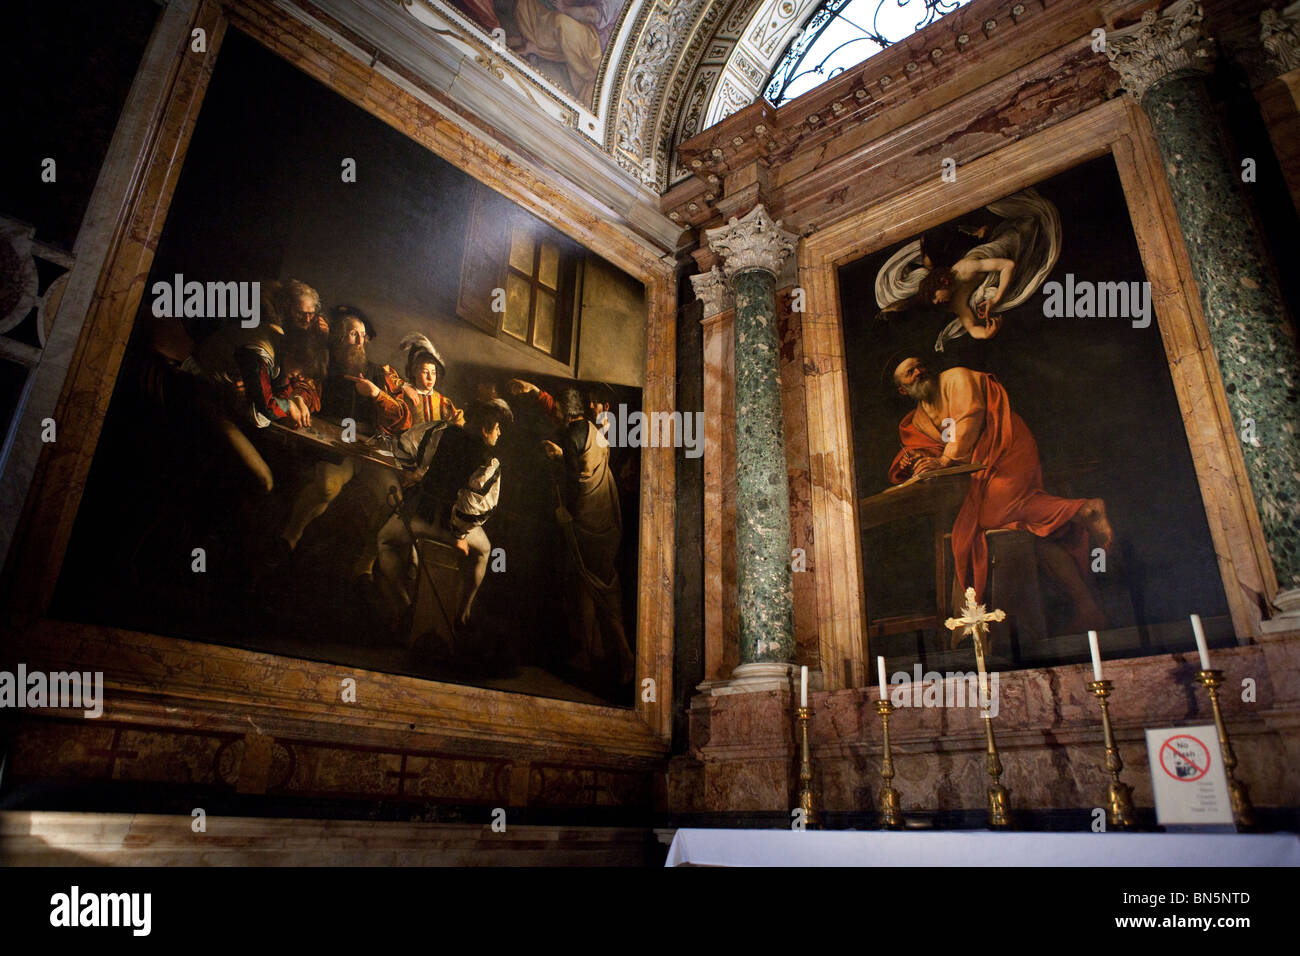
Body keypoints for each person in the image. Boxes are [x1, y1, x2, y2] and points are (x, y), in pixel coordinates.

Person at [887, 354, 1113, 633]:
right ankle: (1087, 607)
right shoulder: (917, 420)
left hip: (1006, 445)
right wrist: (917, 461)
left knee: (993, 515)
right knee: (1033, 533)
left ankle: (1085, 509)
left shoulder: (955, 378)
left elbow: (970, 419)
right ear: (902, 389)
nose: (920, 371)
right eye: (911, 372)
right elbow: (928, 450)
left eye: (920, 365)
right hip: (980, 469)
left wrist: (943, 461)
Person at [275, 306, 407, 571]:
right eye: (351, 335)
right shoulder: (324, 366)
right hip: (334, 444)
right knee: (326, 487)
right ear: (339, 338)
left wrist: (376, 395)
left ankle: (366, 565)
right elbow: (306, 390)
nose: (358, 341)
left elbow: (404, 418)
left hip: (369, 449)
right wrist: (299, 400)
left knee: (393, 501)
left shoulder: (381, 374)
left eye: (361, 336)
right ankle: (290, 537)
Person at [375, 397, 515, 636]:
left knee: (384, 541)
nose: (499, 433)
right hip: (450, 531)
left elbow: (404, 446)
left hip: (418, 518)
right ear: (485, 428)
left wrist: (413, 472)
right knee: (485, 551)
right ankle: (463, 613)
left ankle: (406, 604)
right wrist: (459, 535)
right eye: (497, 427)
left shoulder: (441, 431)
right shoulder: (490, 463)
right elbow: (473, 509)